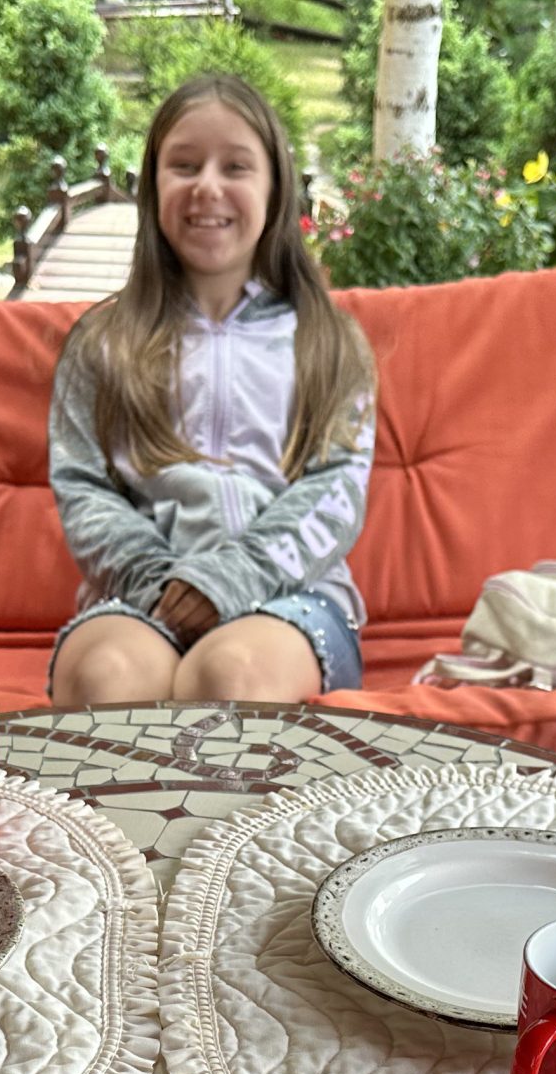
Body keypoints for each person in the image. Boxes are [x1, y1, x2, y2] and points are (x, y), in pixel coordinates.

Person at [48, 72, 377, 707]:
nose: (207, 186)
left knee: (230, 676)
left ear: (275, 188)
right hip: (142, 595)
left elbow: (336, 489)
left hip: (291, 596)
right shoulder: (102, 341)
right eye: (184, 165)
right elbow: (83, 488)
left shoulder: (329, 340)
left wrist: (230, 579)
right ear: (153, 186)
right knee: (106, 677)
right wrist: (166, 589)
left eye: (236, 167)